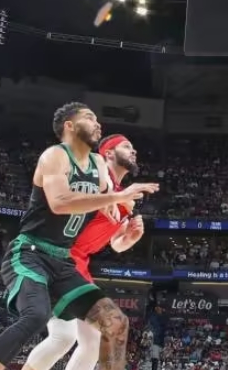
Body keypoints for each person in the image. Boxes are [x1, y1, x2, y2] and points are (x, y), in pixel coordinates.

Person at [0, 102, 159, 370]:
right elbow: (60, 203)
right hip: (33, 252)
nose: (98, 123)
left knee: (114, 324)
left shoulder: (99, 167)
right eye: (90, 117)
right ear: (70, 125)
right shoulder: (56, 155)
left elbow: (109, 216)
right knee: (42, 320)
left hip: (65, 263)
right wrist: (116, 197)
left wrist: (125, 230)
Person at [21, 134, 147, 370]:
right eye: (127, 146)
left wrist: (130, 238)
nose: (134, 151)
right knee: (63, 337)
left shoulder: (123, 197)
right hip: (58, 256)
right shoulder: (91, 178)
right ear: (108, 153)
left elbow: (116, 244)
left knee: (92, 343)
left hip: (80, 264)